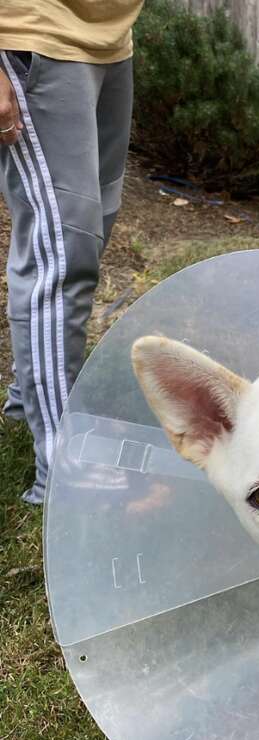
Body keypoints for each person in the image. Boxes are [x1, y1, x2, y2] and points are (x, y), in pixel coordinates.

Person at [0, 1, 144, 504]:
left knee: (91, 225)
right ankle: (65, 468)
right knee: (60, 253)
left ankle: (27, 401)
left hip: (109, 38)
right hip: (31, 35)